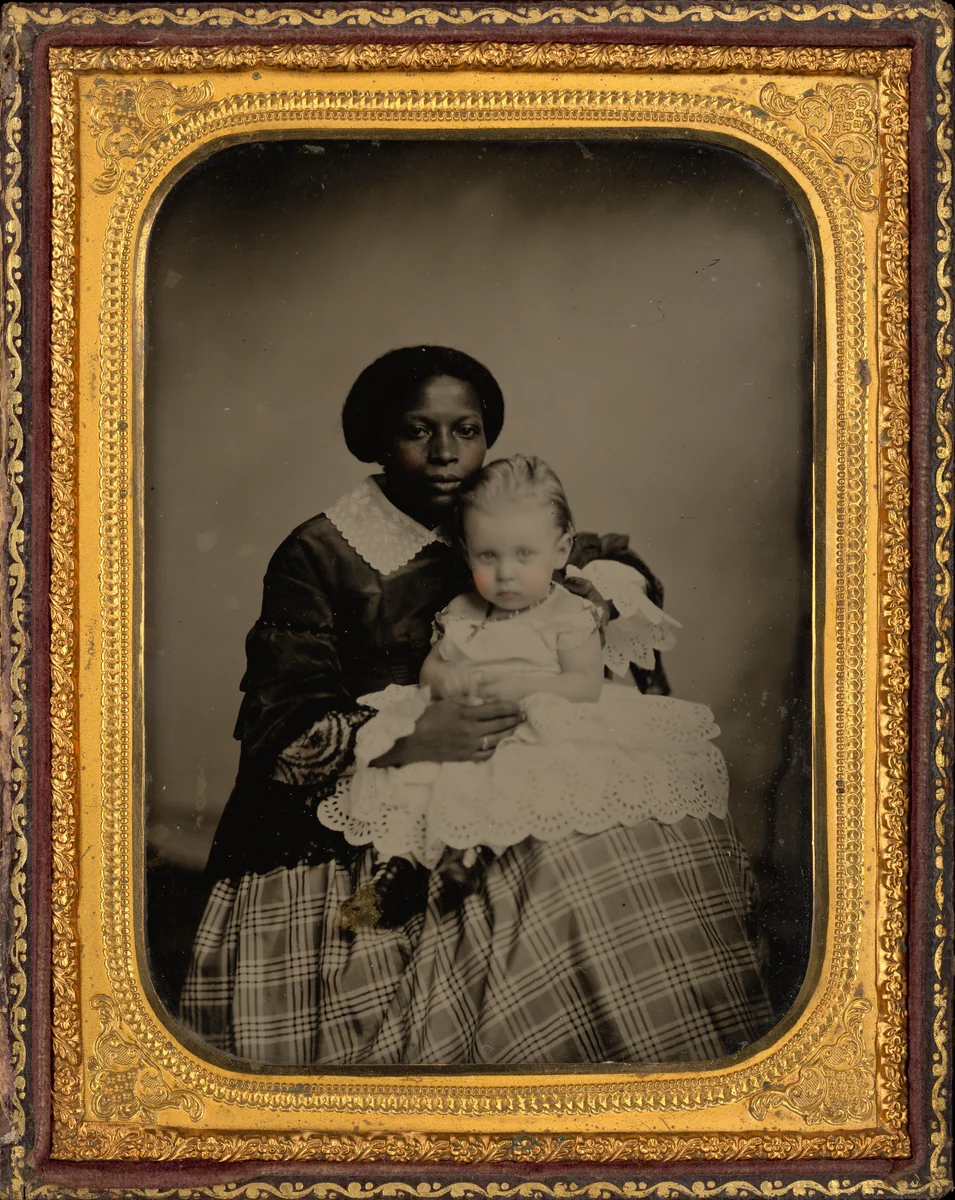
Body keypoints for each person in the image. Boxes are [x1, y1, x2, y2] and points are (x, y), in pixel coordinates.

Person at [179, 345, 772, 1066]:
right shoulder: (319, 553)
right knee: (551, 866)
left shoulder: (488, 513)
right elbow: (280, 737)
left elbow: (580, 548)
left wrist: (607, 578)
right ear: (375, 440)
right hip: (366, 796)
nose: (442, 454)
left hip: (498, 766)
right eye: (415, 431)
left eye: (465, 431)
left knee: (612, 841)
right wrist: (411, 738)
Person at [318, 454, 729, 872]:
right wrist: (446, 679)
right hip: (466, 731)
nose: (505, 574)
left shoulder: (568, 612)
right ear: (466, 552)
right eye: (487, 556)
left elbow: (585, 684)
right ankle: (405, 866)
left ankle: (478, 864)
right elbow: (431, 668)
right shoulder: (463, 609)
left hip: (538, 726)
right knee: (420, 780)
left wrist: (521, 689)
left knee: (525, 784)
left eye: (524, 555)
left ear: (560, 550)